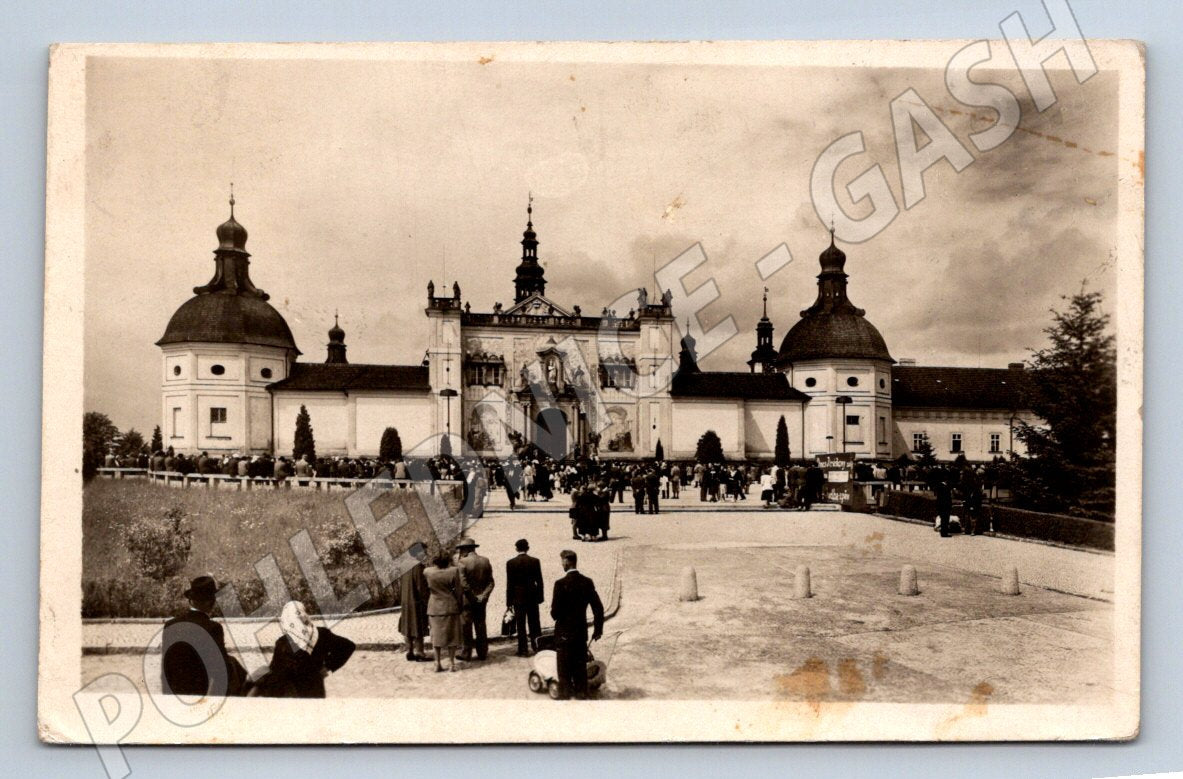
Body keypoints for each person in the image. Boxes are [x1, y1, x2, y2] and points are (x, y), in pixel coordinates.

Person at [161, 575, 251, 697]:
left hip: (173, 696)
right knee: (232, 666)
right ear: (211, 602)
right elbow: (221, 670)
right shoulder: (212, 628)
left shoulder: (170, 625)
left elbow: (166, 667)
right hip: (199, 697)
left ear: (191, 600)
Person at [255, 601, 355, 698]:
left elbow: (275, 670)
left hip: (292, 694)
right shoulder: (322, 634)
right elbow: (348, 646)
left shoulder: (283, 642)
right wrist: (328, 666)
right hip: (315, 690)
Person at [550, 550, 605, 700]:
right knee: (580, 673)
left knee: (564, 675)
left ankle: (566, 700)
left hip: (563, 636)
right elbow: (598, 608)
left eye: (562, 561)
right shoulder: (587, 582)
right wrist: (598, 630)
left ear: (567, 562)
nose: (562, 564)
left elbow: (554, 614)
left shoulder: (560, 584)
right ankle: (581, 699)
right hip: (580, 635)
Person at [424, 550, 464, 672]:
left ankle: (437, 663)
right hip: (450, 606)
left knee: (436, 637)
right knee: (452, 636)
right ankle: (451, 663)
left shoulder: (427, 572)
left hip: (434, 607)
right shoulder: (453, 571)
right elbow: (458, 591)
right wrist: (460, 605)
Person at [456, 537, 494, 661]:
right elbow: (491, 582)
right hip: (481, 601)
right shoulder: (485, 560)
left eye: (462, 549)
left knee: (466, 627)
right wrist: (483, 596)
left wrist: (473, 597)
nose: (461, 552)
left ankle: (466, 653)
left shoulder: (462, 562)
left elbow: (464, 584)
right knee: (481, 625)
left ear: (466, 549)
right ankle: (482, 652)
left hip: (468, 600)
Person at [505, 539, 544, 656]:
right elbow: (540, 581)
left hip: (518, 597)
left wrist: (509, 601)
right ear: (528, 548)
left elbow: (509, 584)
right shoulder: (535, 561)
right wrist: (540, 597)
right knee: (535, 623)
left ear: (516, 549)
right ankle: (537, 646)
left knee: (520, 624)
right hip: (532, 596)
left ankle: (523, 649)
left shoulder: (511, 563)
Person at [398, 545, 431, 662]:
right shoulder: (418, 566)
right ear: (418, 553)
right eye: (424, 552)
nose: (425, 554)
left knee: (407, 627)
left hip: (405, 601)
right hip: (416, 602)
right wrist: (428, 602)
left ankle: (409, 651)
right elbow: (421, 588)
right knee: (418, 628)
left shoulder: (404, 565)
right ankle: (420, 653)